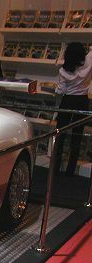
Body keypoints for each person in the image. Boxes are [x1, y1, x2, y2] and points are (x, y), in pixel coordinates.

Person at [54, 42, 92, 176]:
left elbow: (61, 90)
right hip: (82, 101)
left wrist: (56, 89)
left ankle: (56, 168)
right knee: (77, 135)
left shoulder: (63, 71)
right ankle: (70, 170)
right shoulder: (88, 63)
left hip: (68, 100)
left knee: (60, 133)